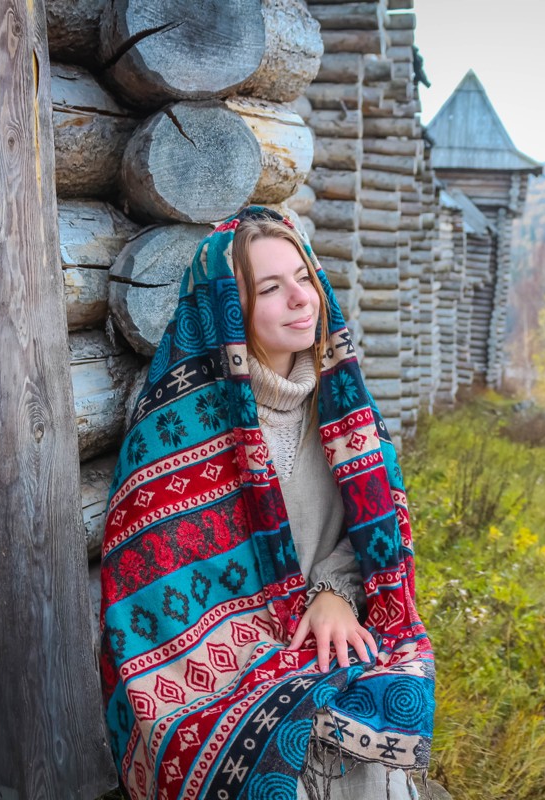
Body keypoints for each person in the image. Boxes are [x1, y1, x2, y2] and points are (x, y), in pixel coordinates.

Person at [99, 206, 434, 800]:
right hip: (207, 665)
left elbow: (380, 533)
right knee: (263, 754)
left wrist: (334, 592)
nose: (301, 299)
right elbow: (153, 589)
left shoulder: (343, 407)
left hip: (320, 626)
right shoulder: (179, 428)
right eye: (272, 289)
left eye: (304, 278)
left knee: (375, 716)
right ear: (232, 310)